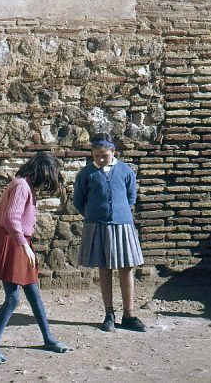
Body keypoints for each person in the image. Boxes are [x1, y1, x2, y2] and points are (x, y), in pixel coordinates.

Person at [0, 151, 68, 364]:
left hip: (18, 242)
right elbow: (12, 219)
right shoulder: (21, 186)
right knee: (13, 298)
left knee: (33, 291)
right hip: (13, 243)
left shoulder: (23, 184)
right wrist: (24, 247)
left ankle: (48, 338)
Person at [73, 132, 147, 333]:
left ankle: (129, 314)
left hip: (122, 224)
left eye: (104, 155)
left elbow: (131, 197)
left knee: (126, 268)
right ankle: (109, 314)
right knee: (104, 268)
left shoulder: (125, 171)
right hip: (98, 225)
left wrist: (119, 213)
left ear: (113, 152)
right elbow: (78, 201)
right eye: (96, 155)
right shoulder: (86, 174)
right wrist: (94, 215)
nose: (100, 159)